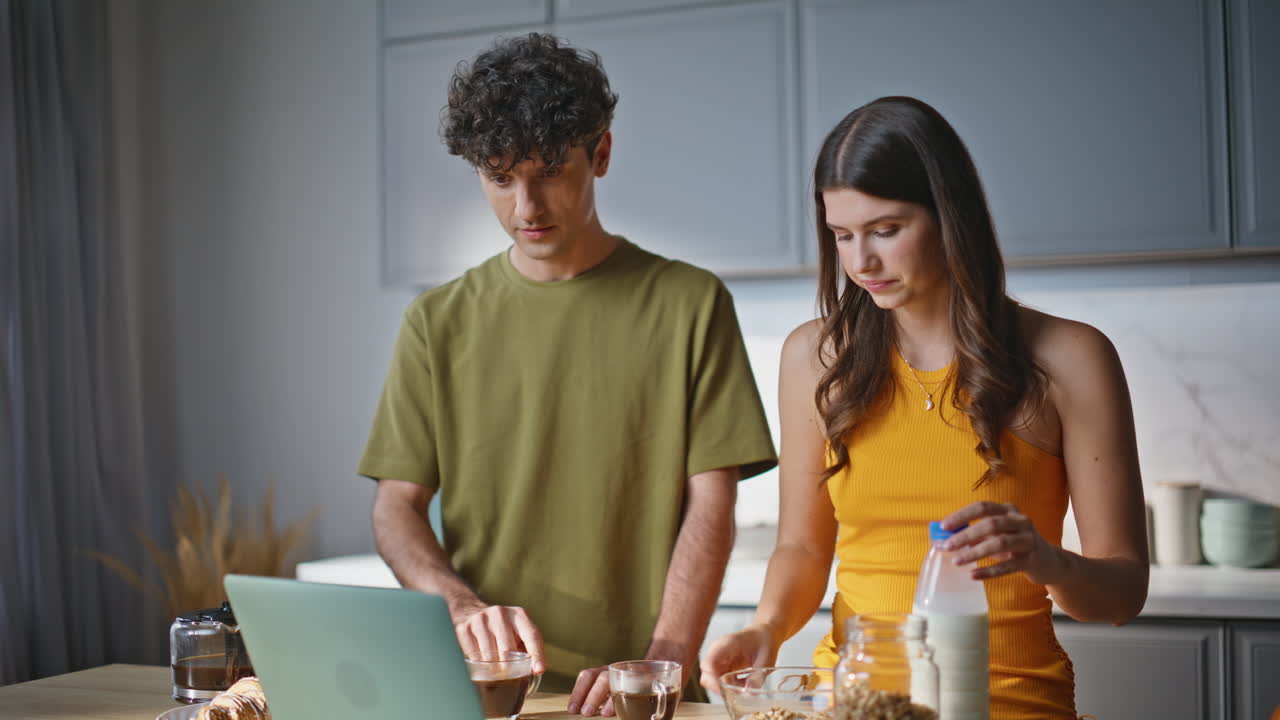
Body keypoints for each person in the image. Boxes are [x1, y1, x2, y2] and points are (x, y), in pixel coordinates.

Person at [358, 32, 777, 717]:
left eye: (549, 170)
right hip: (490, 693)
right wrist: (461, 608)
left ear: (601, 153)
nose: (527, 206)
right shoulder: (436, 322)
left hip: (639, 696)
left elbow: (713, 504)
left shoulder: (691, 304)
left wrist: (662, 666)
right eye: (500, 177)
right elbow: (394, 507)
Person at [700, 96, 1148, 719]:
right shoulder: (816, 357)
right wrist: (766, 630)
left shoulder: (1070, 358)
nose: (861, 262)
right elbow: (803, 549)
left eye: (886, 230)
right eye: (842, 235)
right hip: (856, 704)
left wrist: (1048, 561)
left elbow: (1122, 592)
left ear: (950, 216)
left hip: (1008, 703)